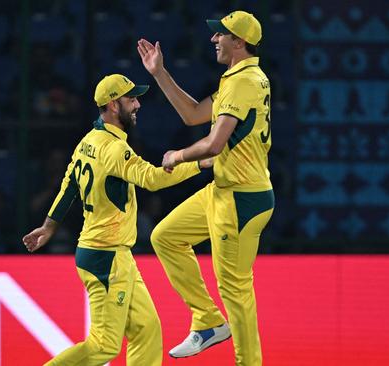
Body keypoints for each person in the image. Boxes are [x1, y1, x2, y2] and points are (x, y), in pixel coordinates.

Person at [22, 73, 210, 366]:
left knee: (146, 330)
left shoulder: (89, 141)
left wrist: (49, 225)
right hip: (106, 256)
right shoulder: (114, 149)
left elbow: (69, 186)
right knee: (104, 346)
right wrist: (199, 162)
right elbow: (151, 179)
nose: (137, 105)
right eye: (131, 99)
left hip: (109, 254)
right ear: (112, 104)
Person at [137, 10, 274, 365]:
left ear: (239, 42)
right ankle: (210, 322)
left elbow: (214, 144)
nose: (214, 39)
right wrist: (160, 73)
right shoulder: (240, 78)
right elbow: (194, 114)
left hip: (242, 198)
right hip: (225, 189)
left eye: (221, 35)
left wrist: (178, 154)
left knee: (236, 289)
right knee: (165, 236)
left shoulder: (243, 82)